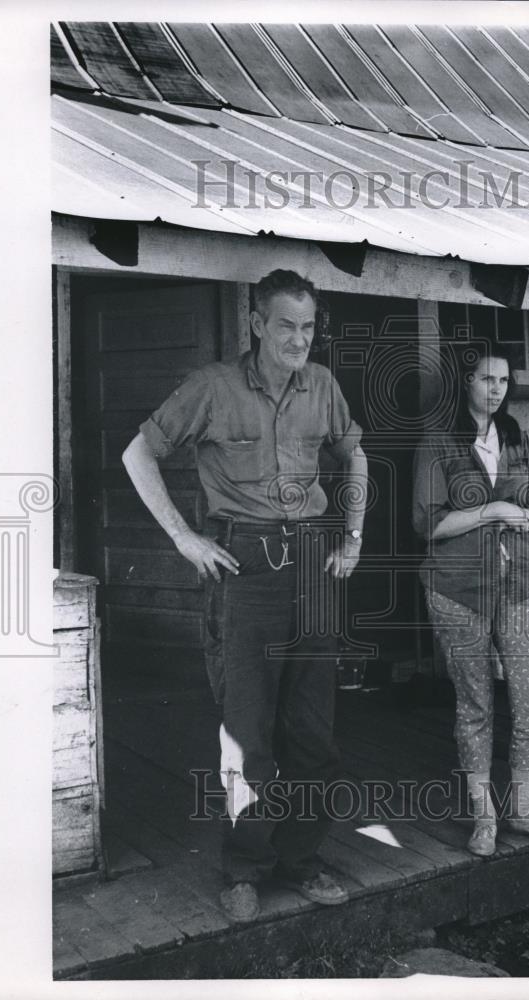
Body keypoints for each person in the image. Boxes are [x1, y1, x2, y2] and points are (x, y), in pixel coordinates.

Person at [122, 269, 367, 921]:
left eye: (308, 326)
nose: (298, 338)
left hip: (313, 563)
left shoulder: (323, 387)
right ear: (257, 323)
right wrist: (182, 538)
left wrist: (355, 536)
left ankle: (301, 859)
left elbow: (356, 454)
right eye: (285, 324)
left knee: (314, 732)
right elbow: (137, 455)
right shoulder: (211, 387)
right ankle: (244, 867)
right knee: (247, 731)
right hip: (245, 567)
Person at [412, 344, 529, 857]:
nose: (496, 389)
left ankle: (524, 811)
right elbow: (428, 522)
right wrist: (495, 509)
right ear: (467, 381)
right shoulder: (438, 442)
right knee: (476, 704)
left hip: (520, 584)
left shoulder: (514, 437)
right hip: (458, 588)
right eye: (487, 379)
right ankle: (484, 818)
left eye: (504, 381)